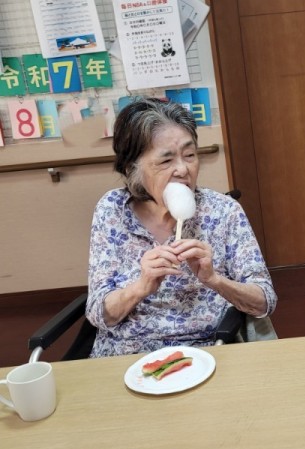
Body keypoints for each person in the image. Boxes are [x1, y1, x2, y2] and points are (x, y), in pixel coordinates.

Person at [86, 98, 277, 357]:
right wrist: (141, 286)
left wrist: (214, 280)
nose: (183, 169)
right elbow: (98, 314)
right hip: (126, 353)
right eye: (166, 161)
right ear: (133, 169)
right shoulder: (112, 210)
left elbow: (265, 301)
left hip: (207, 352)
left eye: (189, 155)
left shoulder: (223, 211)